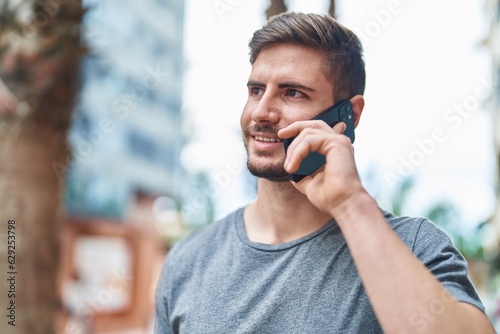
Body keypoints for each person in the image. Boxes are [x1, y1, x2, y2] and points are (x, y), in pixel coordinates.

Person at [155, 12, 494, 333]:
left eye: (292, 93)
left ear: (350, 113)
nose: (261, 112)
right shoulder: (188, 260)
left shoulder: (414, 246)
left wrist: (350, 204)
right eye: (256, 90)